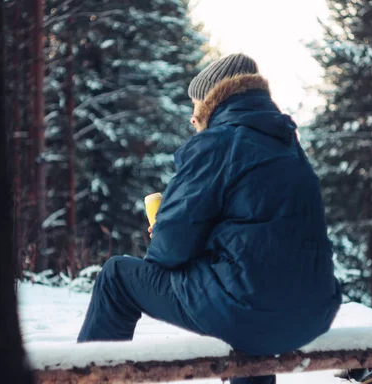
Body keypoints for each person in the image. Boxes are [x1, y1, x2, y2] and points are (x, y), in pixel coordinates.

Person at [77, 54, 342, 384]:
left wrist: (161, 229)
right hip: (314, 312)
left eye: (195, 105)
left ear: (212, 101)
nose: (192, 118)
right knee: (250, 302)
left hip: (249, 309)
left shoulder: (219, 141)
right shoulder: (288, 148)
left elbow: (169, 250)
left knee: (116, 276)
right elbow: (258, 240)